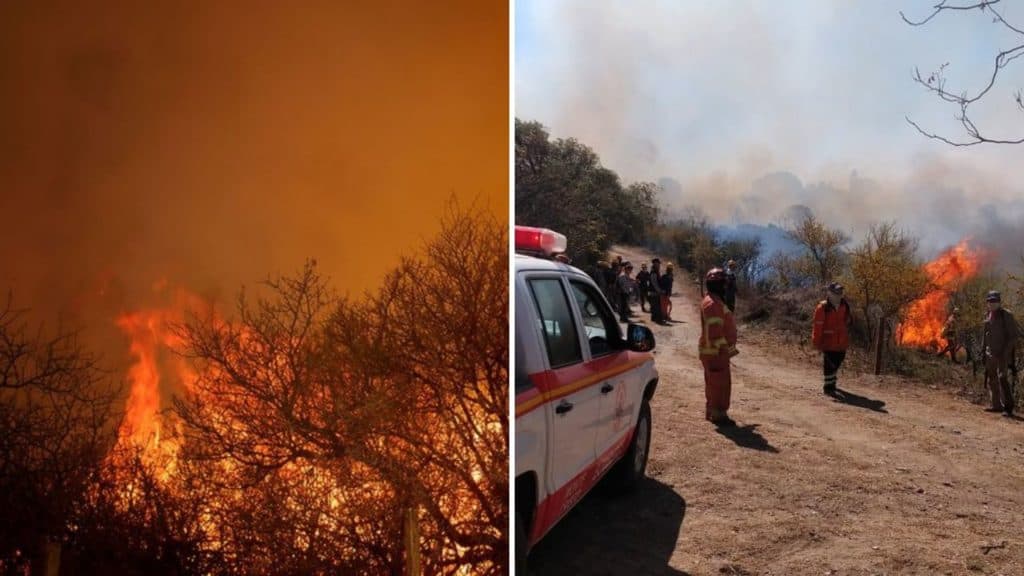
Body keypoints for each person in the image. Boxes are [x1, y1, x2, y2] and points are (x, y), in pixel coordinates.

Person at [699, 268, 739, 426]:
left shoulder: (713, 301)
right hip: (716, 352)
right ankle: (718, 415)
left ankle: (713, 411)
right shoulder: (712, 304)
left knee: (715, 383)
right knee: (719, 384)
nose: (725, 287)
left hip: (715, 351)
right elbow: (715, 332)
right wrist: (725, 351)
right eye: (723, 284)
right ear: (717, 285)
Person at [812, 282, 853, 395]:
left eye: (840, 291)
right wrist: (817, 341)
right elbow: (818, 325)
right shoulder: (823, 308)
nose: (839, 294)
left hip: (841, 342)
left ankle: (832, 382)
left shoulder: (844, 305)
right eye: (836, 292)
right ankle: (829, 388)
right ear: (829, 293)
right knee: (830, 365)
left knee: (837, 362)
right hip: (828, 342)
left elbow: (847, 321)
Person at [982, 290, 1018, 417]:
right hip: (990, 353)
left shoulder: (1006, 315)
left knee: (1002, 379)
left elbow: (1013, 336)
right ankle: (996, 405)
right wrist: (983, 351)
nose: (992, 303)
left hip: (1002, 354)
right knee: (992, 379)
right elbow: (986, 334)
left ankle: (1008, 407)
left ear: (999, 302)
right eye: (990, 301)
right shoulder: (988, 314)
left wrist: (1005, 352)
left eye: (995, 301)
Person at [649, 258, 665, 324]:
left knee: (654, 306)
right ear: (655, 263)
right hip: (654, 292)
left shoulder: (655, 271)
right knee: (657, 306)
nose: (659, 265)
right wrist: (659, 291)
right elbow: (654, 283)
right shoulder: (654, 272)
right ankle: (659, 320)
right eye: (658, 263)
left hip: (653, 291)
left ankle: (654, 318)